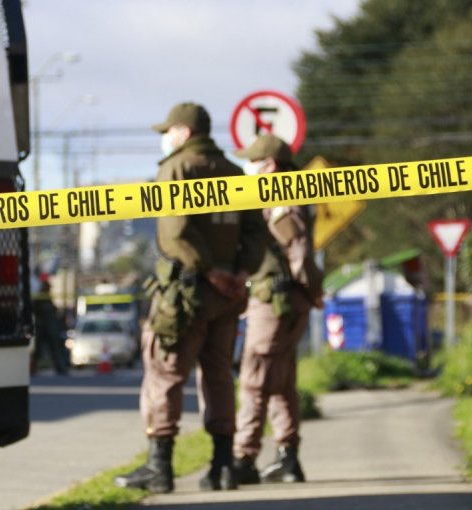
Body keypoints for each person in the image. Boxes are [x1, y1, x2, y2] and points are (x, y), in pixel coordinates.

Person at [114, 102, 268, 493]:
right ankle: (222, 467)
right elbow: (256, 231)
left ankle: (159, 467)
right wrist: (238, 273)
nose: (166, 139)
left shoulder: (176, 169)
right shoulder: (236, 172)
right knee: (218, 377)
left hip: (186, 294)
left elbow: (176, 232)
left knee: (164, 375)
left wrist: (211, 271)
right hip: (228, 296)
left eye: (168, 132)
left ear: (183, 132)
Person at [231, 134, 324, 484]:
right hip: (284, 300)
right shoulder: (282, 194)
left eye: (252, 161)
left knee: (255, 379)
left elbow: (297, 251)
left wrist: (314, 291)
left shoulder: (281, 197)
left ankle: (244, 457)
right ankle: (287, 457)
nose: (247, 167)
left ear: (269, 165)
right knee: (282, 381)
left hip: (276, 301)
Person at [32, 275, 69, 375]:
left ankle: (60, 369)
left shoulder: (47, 298)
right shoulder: (39, 298)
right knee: (38, 350)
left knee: (55, 349)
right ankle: (32, 368)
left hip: (50, 328)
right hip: (42, 327)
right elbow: (35, 310)